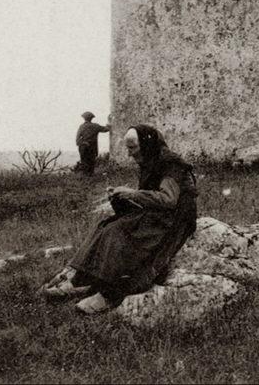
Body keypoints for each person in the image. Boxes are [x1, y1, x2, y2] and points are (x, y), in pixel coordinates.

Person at [40, 124, 199, 314]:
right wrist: (122, 196)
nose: (130, 154)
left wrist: (132, 194)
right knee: (106, 225)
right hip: (160, 214)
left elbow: (168, 199)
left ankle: (109, 294)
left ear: (146, 144)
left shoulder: (169, 164)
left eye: (133, 148)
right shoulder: (152, 160)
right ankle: (80, 281)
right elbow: (153, 197)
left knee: (121, 233)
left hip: (175, 220)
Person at [73, 111, 110, 176]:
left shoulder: (81, 126)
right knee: (91, 163)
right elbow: (106, 129)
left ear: (84, 118)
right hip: (91, 148)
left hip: (83, 148)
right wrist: (109, 122)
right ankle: (90, 177)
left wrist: (83, 143)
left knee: (84, 163)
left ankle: (86, 178)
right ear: (91, 118)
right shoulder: (95, 126)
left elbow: (77, 139)